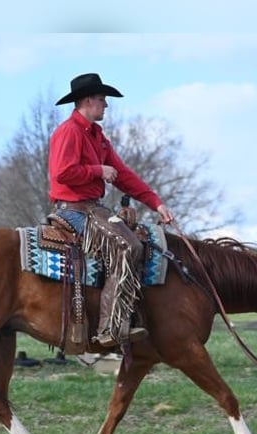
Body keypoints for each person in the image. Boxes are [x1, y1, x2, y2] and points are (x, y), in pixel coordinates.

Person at [49, 73, 175, 348]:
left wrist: (156, 202)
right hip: (75, 210)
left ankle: (131, 317)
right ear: (87, 100)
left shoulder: (98, 137)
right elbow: (62, 173)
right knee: (128, 246)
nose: (106, 105)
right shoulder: (69, 131)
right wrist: (98, 170)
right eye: (102, 100)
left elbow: (124, 175)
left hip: (93, 209)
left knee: (138, 239)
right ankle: (111, 327)